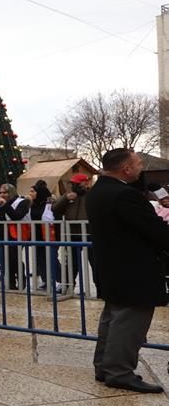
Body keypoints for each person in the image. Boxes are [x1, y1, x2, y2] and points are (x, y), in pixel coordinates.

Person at [86, 149, 169, 393]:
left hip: (113, 267)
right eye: (138, 164)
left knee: (112, 319)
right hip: (133, 270)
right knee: (129, 322)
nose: (141, 168)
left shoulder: (98, 191)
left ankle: (105, 366)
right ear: (126, 169)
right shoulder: (124, 195)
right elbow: (155, 230)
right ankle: (120, 372)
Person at [53, 172, 95, 296]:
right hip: (71, 234)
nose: (74, 186)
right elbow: (55, 209)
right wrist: (65, 199)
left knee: (95, 262)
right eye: (73, 184)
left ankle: (101, 288)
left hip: (89, 234)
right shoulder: (68, 196)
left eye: (77, 184)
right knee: (71, 263)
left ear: (86, 183)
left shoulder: (92, 195)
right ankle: (68, 287)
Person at [0, 182, 29, 290]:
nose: (2, 195)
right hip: (1, 234)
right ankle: (11, 283)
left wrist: (5, 204)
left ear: (11, 192)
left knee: (14, 258)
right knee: (5, 260)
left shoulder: (22, 202)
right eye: (1, 192)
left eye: (5, 192)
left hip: (15, 234)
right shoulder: (0, 203)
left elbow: (16, 216)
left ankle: (21, 279)